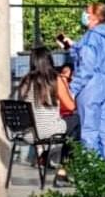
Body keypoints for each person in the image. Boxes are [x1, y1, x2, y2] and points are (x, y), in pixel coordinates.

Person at [62, 3, 105, 164]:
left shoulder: (91, 36)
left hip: (91, 85)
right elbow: (88, 55)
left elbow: (86, 65)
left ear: (95, 16)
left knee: (89, 130)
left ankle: (92, 171)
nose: (85, 15)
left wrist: (72, 90)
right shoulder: (104, 35)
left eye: (87, 12)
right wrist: (72, 47)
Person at [18, 47, 77, 181]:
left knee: (67, 126)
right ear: (49, 60)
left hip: (29, 133)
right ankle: (63, 168)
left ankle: (48, 156)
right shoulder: (56, 80)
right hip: (49, 131)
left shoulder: (25, 82)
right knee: (78, 122)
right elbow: (71, 106)